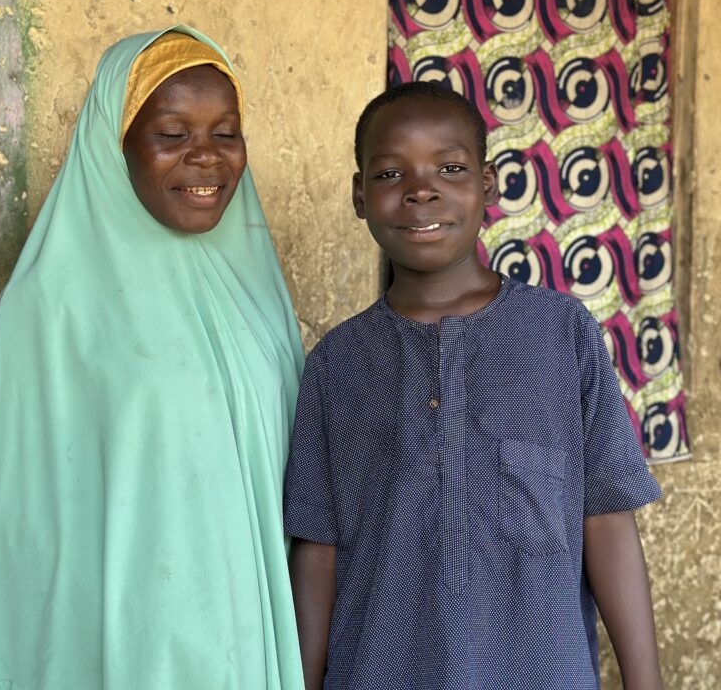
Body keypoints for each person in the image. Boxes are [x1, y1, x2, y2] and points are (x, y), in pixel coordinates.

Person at [0, 26, 306, 690]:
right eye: (172, 134)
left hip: (243, 647)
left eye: (225, 132)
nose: (206, 158)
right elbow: (17, 532)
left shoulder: (258, 298)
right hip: (118, 648)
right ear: (117, 142)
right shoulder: (48, 310)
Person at [284, 82, 664, 690]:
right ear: (359, 195)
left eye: (450, 167)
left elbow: (608, 518)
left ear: (487, 184)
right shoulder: (337, 364)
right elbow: (318, 552)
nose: (421, 190)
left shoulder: (561, 335)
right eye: (389, 174)